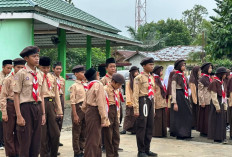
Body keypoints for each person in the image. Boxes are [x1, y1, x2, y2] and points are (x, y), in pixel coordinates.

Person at [13, 46, 46, 157]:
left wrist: (43, 114)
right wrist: (19, 115)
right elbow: (16, 95)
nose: (37, 59)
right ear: (26, 58)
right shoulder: (21, 73)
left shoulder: (40, 74)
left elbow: (41, 95)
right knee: (25, 140)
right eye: (34, 56)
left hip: (37, 107)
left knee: (36, 141)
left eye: (38, 56)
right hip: (25, 108)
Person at [81, 68, 110, 157]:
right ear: (96, 74)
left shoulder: (90, 85)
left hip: (90, 111)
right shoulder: (98, 85)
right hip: (95, 111)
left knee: (95, 138)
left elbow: (84, 105)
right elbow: (101, 103)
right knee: (93, 140)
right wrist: (104, 118)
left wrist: (87, 112)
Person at [0, 58, 25, 156]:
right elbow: (3, 97)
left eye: (22, 67)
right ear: (14, 68)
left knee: (20, 131)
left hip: (22, 106)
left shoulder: (25, 79)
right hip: (10, 106)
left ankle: (18, 152)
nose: (20, 69)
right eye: (18, 67)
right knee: (9, 132)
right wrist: (4, 112)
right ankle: (11, 154)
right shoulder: (8, 80)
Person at [39, 57, 63, 157]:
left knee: (56, 133)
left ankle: (53, 154)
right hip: (41, 104)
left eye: (48, 68)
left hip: (51, 103)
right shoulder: (37, 76)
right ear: (39, 67)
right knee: (43, 135)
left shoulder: (52, 77)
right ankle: (44, 154)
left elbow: (56, 94)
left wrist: (59, 110)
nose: (46, 70)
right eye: (43, 68)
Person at [133, 57, 157, 157]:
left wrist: (154, 108)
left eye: (152, 64)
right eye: (150, 65)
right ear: (144, 66)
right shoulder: (138, 78)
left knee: (150, 126)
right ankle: (141, 151)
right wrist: (136, 109)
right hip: (143, 101)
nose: (152, 66)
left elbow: (153, 93)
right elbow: (135, 94)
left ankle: (147, 149)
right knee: (142, 126)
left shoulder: (151, 77)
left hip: (150, 101)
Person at [103, 73, 125, 157]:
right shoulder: (105, 89)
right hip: (108, 110)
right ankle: (110, 154)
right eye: (118, 84)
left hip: (115, 111)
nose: (119, 86)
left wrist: (118, 117)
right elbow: (103, 104)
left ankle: (115, 153)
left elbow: (118, 104)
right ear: (113, 82)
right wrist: (104, 117)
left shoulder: (117, 90)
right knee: (109, 135)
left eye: (120, 85)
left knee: (116, 135)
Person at [171, 59, 192, 139]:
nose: (184, 67)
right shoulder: (175, 76)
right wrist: (175, 102)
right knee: (180, 115)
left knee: (187, 114)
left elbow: (187, 86)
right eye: (183, 65)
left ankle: (186, 133)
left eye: (184, 65)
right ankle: (180, 134)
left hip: (184, 96)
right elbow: (173, 90)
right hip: (178, 95)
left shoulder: (184, 75)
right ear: (179, 66)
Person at [70, 65, 87, 157]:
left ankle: (82, 148)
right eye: (81, 72)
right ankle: (76, 152)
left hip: (85, 109)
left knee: (84, 131)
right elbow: (72, 102)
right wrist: (75, 115)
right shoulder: (74, 86)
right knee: (77, 131)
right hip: (77, 108)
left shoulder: (85, 84)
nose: (83, 74)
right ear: (76, 74)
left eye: (84, 72)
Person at [208, 67, 228, 143]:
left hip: (221, 103)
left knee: (222, 121)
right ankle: (217, 137)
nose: (225, 75)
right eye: (224, 74)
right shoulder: (214, 82)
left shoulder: (221, 82)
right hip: (217, 104)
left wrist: (225, 105)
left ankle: (222, 137)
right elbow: (214, 96)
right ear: (221, 74)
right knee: (217, 121)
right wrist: (217, 107)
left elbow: (224, 95)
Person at [120, 66, 139, 135]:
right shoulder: (129, 82)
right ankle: (125, 129)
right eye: (135, 72)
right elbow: (127, 93)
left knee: (135, 116)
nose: (137, 73)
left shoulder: (138, 81)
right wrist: (129, 102)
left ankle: (134, 130)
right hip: (130, 101)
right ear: (132, 73)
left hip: (137, 101)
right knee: (128, 115)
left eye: (137, 71)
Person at [198, 63, 213, 136]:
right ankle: (204, 131)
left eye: (211, 68)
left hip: (210, 99)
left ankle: (208, 130)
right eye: (209, 68)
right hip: (205, 100)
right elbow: (200, 91)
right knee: (204, 117)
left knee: (208, 117)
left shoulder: (209, 77)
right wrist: (202, 101)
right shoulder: (202, 78)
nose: (211, 69)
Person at [0, 59, 12, 150]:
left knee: (6, 122)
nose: (9, 70)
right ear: (3, 67)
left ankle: (4, 141)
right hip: (1, 101)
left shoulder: (12, 77)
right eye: (8, 68)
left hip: (8, 102)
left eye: (11, 68)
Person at [152, 65, 167, 137]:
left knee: (162, 117)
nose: (162, 72)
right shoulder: (154, 79)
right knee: (158, 118)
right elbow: (154, 91)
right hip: (157, 101)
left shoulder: (160, 79)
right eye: (160, 71)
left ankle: (163, 132)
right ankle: (157, 133)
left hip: (162, 101)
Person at [52, 62, 66, 133]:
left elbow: (63, 91)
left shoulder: (62, 79)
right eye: (57, 69)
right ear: (53, 69)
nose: (59, 70)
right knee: (54, 117)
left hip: (60, 98)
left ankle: (58, 136)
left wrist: (64, 102)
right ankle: (54, 136)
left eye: (60, 69)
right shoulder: (51, 78)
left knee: (61, 117)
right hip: (54, 98)